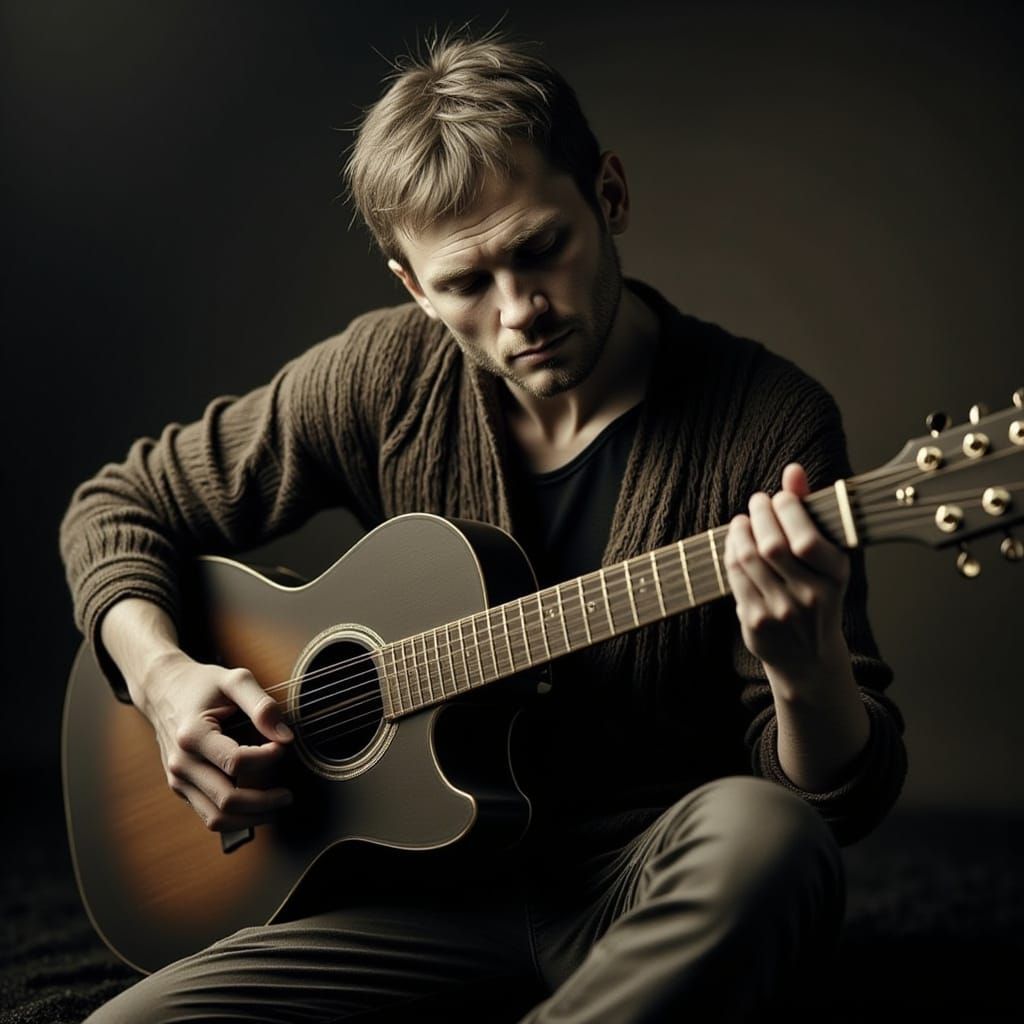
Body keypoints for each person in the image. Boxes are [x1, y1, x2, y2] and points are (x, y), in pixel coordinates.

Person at [60, 29, 906, 1023]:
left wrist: (806, 672)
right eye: (465, 283)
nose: (519, 311)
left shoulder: (768, 423)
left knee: (772, 839)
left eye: (541, 248)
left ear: (610, 195)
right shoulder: (385, 374)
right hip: (408, 901)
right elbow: (116, 507)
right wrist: (163, 683)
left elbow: (836, 802)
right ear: (413, 286)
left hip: (639, 885)